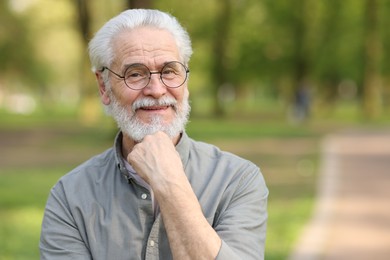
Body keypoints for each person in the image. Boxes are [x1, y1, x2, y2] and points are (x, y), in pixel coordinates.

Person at [40, 9, 268, 260]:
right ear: (104, 86)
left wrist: (170, 182)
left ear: (186, 79)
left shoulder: (238, 181)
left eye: (169, 71)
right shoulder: (70, 197)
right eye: (135, 74)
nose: (157, 90)